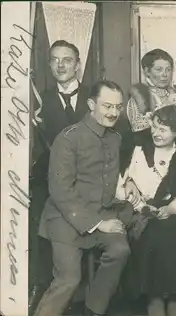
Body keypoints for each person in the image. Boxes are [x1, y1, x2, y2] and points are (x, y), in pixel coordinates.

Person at [34, 80, 138, 316]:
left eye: (118, 107)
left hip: (101, 214)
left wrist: (127, 181)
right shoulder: (69, 138)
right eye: (107, 106)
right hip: (65, 219)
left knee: (120, 250)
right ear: (91, 104)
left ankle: (94, 309)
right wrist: (99, 223)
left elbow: (108, 178)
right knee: (69, 279)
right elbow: (60, 191)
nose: (113, 113)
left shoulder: (115, 138)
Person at [29, 39, 91, 314]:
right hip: (50, 184)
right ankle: (46, 290)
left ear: (78, 64)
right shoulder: (37, 101)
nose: (61, 65)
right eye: (55, 60)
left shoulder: (96, 98)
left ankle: (80, 299)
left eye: (67, 59)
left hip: (87, 184)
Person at [116, 103, 176, 316]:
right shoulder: (138, 148)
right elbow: (121, 183)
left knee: (174, 232)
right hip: (139, 209)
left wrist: (171, 208)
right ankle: (155, 299)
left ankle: (174, 297)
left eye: (163, 129)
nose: (156, 133)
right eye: (155, 127)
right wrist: (129, 182)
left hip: (174, 209)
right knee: (151, 234)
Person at [124, 49, 176, 173]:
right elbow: (136, 126)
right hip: (148, 158)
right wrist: (164, 105)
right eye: (159, 69)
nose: (165, 74)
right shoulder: (139, 95)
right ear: (147, 71)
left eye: (168, 70)